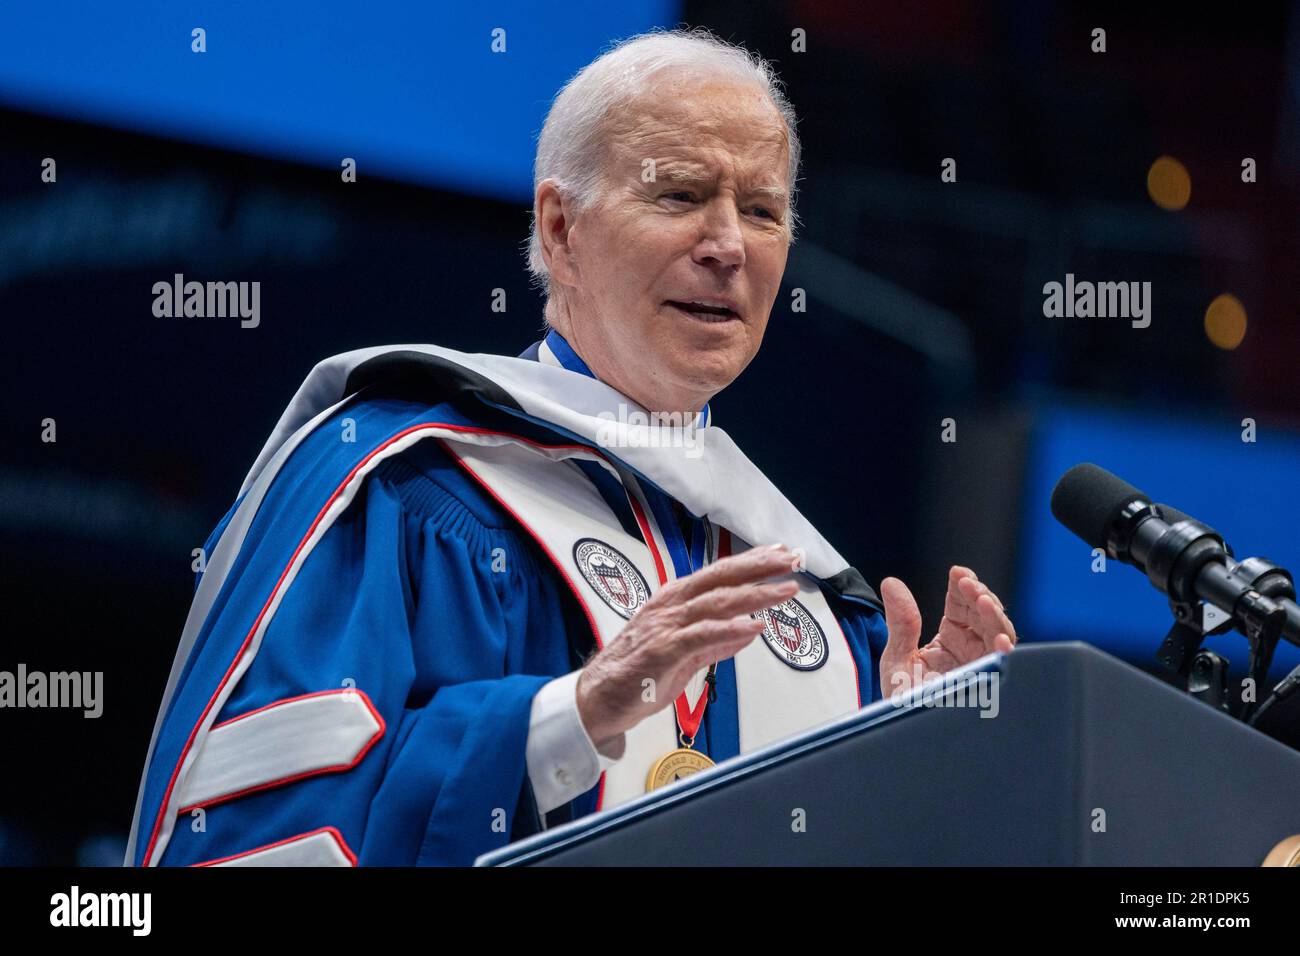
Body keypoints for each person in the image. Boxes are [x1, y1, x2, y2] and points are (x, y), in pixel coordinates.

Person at [125, 26, 1017, 868]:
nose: (728, 246)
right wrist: (568, 720)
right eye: (679, 195)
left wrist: (906, 762)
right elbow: (260, 828)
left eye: (763, 210)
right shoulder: (400, 482)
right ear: (560, 229)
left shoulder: (821, 604)